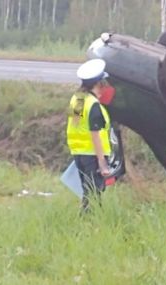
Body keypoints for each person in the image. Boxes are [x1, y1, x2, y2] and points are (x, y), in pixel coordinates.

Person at [66, 59, 115, 212]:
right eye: (103, 82)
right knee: (94, 194)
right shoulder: (93, 104)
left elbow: (76, 125)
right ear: (98, 83)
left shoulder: (78, 99)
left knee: (88, 193)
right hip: (93, 155)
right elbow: (95, 134)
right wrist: (102, 163)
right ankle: (89, 225)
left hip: (79, 153)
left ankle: (88, 224)